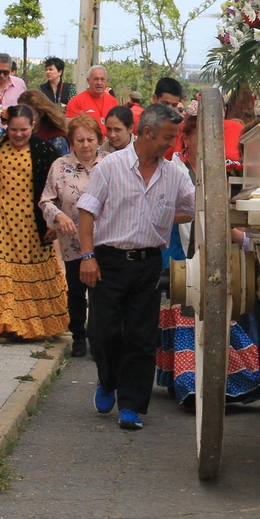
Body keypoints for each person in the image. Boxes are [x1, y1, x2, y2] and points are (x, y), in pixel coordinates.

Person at [74, 104, 194, 431]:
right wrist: (87, 257)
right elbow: (87, 212)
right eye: (168, 137)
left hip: (148, 265)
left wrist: (162, 215)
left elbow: (193, 208)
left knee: (141, 337)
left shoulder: (173, 174)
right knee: (104, 334)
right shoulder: (110, 167)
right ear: (147, 133)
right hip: (108, 262)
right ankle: (108, 381)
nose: (171, 144)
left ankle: (131, 405)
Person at [155, 115, 260, 412]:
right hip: (178, 254)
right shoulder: (173, 170)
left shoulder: (220, 173)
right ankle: (188, 383)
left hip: (211, 255)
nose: (205, 144)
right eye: (199, 137)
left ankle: (210, 381)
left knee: (212, 315)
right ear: (185, 139)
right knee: (185, 308)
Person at [0, 105, 69, 340]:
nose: (18, 135)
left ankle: (35, 326)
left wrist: (52, 222)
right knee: (3, 268)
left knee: (33, 267)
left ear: (33, 127)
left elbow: (55, 188)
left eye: (24, 130)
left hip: (31, 221)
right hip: (2, 219)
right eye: (13, 129)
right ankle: (3, 325)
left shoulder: (44, 150)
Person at [40, 113, 104, 360]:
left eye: (90, 139)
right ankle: (78, 336)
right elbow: (46, 200)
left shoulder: (110, 163)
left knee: (101, 291)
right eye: (80, 140)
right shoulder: (60, 166)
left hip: (105, 240)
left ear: (99, 140)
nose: (86, 145)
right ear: (71, 142)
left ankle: (99, 337)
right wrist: (58, 217)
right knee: (76, 291)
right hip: (73, 240)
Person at [19, 87, 70, 156]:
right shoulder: (11, 134)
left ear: (41, 113)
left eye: (30, 115)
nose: (24, 119)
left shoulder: (56, 139)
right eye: (21, 114)